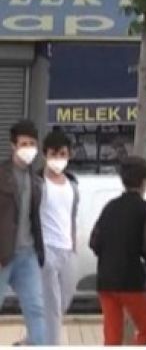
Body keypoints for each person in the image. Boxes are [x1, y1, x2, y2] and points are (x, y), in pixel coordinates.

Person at [90, 156, 146, 346]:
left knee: (112, 337)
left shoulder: (109, 208)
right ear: (145, 181)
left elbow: (94, 242)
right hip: (131, 282)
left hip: (105, 280)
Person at [0, 120, 48, 345]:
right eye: (23, 143)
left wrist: (39, 251)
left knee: (36, 308)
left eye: (32, 143)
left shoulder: (37, 180)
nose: (28, 148)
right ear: (13, 145)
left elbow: (34, 217)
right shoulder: (2, 175)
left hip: (27, 254)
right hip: (2, 254)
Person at [39, 130, 80, 346]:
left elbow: (72, 217)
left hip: (67, 250)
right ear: (45, 154)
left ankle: (32, 339)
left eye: (62, 154)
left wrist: (73, 246)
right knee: (53, 307)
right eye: (54, 154)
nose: (58, 159)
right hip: (46, 249)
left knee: (63, 301)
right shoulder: (37, 184)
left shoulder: (73, 185)